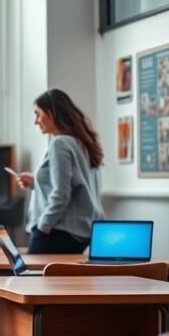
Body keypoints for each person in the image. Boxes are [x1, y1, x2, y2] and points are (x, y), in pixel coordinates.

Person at [15, 89, 104, 254]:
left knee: (30, 279)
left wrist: (43, 226)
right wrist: (36, 181)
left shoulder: (60, 144)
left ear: (52, 113)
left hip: (57, 232)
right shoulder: (82, 143)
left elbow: (61, 193)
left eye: (38, 114)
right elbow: (77, 184)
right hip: (81, 232)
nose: (36, 121)